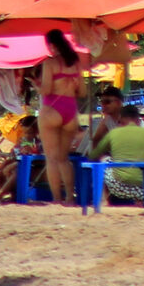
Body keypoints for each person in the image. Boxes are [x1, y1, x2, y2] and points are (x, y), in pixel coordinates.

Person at [38, 28, 86, 205]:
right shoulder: (75, 63)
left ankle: (57, 198)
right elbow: (82, 91)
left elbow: (46, 90)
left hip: (52, 108)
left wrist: (36, 86)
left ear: (51, 45)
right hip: (70, 110)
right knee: (63, 158)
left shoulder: (50, 63)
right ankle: (69, 198)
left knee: (51, 158)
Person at [98, 105, 144, 201]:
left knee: (104, 160)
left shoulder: (114, 133)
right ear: (138, 121)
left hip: (117, 188)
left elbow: (95, 154)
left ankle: (103, 201)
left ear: (121, 121)